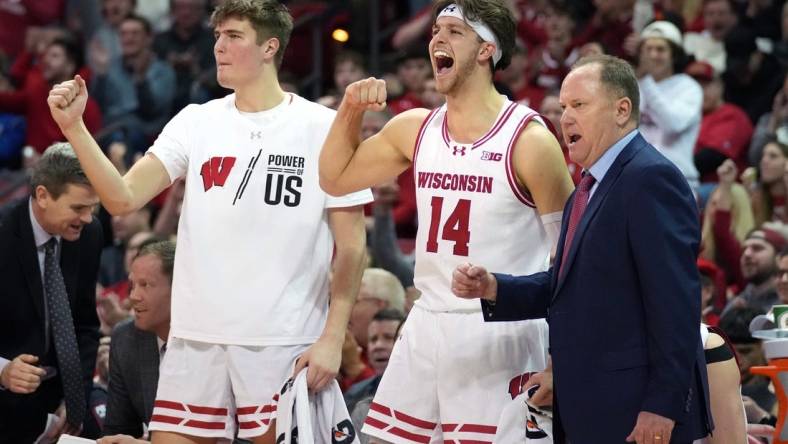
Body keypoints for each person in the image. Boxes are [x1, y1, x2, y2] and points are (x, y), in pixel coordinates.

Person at [47, 0, 371, 442]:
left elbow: (352, 248)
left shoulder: (323, 126)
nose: (218, 45)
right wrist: (75, 129)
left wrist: (333, 338)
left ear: (269, 47)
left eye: (234, 36)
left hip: (280, 338)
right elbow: (123, 199)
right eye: (217, 35)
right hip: (194, 337)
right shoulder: (196, 121)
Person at [318, 1, 574, 441]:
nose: (437, 38)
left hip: (500, 332)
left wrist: (561, 358)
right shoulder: (415, 127)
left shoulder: (530, 141)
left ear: (486, 49)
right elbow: (336, 178)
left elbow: (573, 259)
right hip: (426, 320)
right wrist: (350, 110)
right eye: (436, 29)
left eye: (454, 31)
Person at [452, 54, 713, 443]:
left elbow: (675, 303)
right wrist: (495, 288)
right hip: (589, 408)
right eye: (562, 107)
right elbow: (571, 288)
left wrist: (663, 405)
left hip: (636, 412)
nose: (565, 117)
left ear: (622, 110)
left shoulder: (650, 178)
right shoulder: (586, 191)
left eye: (579, 105)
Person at [0, 143, 103, 442]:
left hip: (61, 407)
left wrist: (75, 400)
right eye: (78, 208)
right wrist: (3, 371)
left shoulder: (89, 234)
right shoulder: (3, 233)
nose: (87, 218)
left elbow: (84, 325)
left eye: (93, 207)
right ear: (43, 195)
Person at [100, 240, 175, 442]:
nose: (133, 296)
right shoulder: (126, 339)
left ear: (179, 289)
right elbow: (118, 430)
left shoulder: (216, 344)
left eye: (145, 285)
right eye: (132, 285)